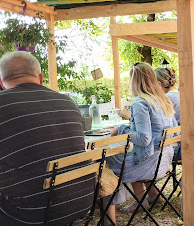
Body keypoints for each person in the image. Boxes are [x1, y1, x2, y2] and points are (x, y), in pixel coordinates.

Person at [0, 52, 94, 225]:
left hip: (30, 212)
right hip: (81, 199)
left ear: (1, 82)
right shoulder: (68, 102)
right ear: (41, 78)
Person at [106, 62, 177, 224]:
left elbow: (144, 139)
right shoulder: (163, 100)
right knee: (129, 156)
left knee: (107, 161)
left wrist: (122, 130)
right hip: (163, 163)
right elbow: (170, 132)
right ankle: (143, 199)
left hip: (148, 164)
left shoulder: (140, 102)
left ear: (134, 81)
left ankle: (108, 214)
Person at [155, 67, 182, 160]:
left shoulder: (165, 98)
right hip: (185, 142)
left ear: (158, 83)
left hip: (176, 146)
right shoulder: (180, 95)